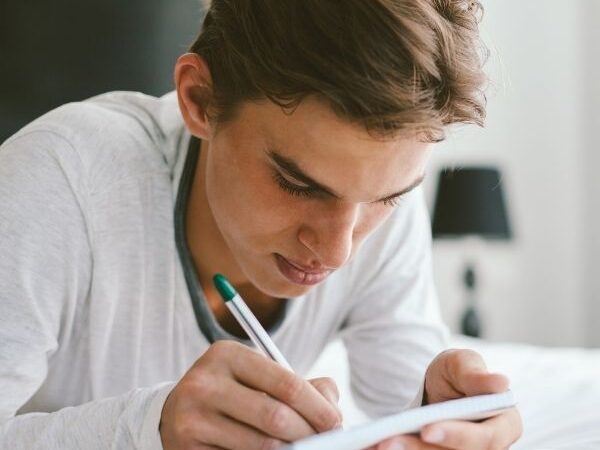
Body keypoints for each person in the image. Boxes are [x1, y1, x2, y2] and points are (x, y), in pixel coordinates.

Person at [0, 1, 522, 449]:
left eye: (386, 198)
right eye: (299, 184)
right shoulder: (62, 177)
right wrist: (147, 429)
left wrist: (440, 418)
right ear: (200, 100)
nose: (338, 251)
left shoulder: (381, 209)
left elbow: (401, 407)